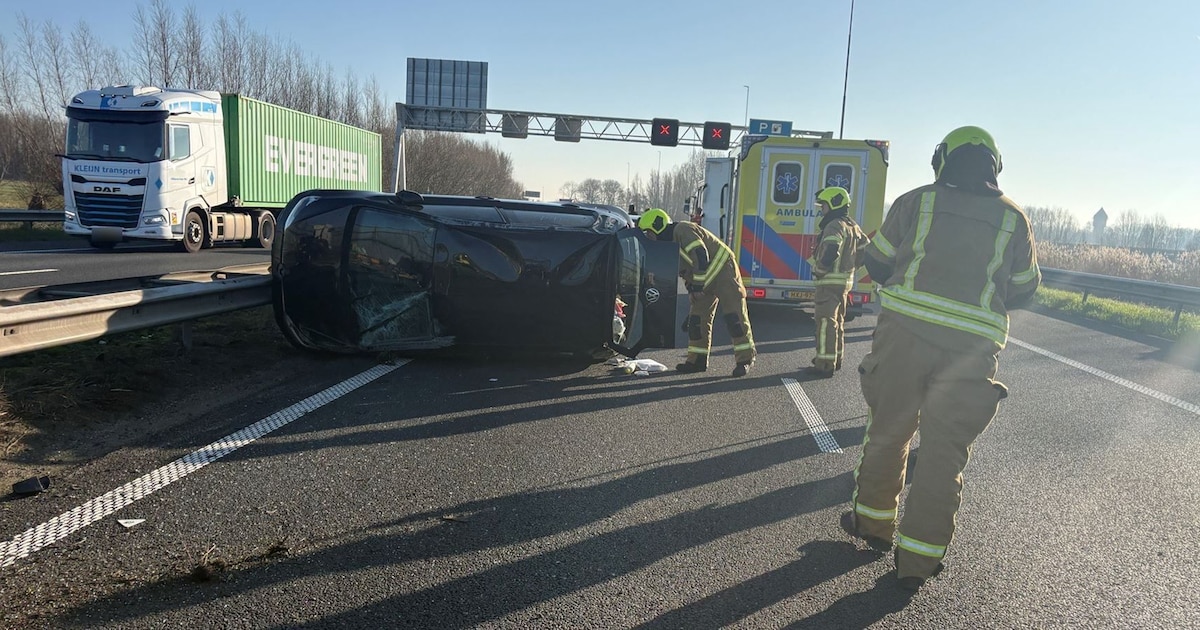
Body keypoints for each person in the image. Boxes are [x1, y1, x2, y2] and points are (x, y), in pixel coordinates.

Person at [841, 126, 1040, 591]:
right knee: (944, 454)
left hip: (903, 338)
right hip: (972, 352)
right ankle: (918, 561)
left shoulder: (915, 203)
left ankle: (872, 526)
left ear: (941, 160)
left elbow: (878, 263)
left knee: (889, 432)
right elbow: (1027, 290)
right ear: (995, 165)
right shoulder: (1015, 219)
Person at [637, 208, 756, 377]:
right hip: (703, 279)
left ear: (657, 226)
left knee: (734, 317)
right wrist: (692, 289)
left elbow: (700, 255)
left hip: (724, 270)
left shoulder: (683, 230)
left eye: (648, 233)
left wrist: (698, 287)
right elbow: (686, 270)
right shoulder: (668, 247)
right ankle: (697, 361)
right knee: (696, 321)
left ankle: (745, 360)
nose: (648, 238)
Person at [801, 186, 869, 379]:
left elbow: (831, 249)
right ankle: (835, 359)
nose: (821, 209)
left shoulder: (834, 225)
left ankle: (824, 364)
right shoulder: (853, 226)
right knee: (837, 323)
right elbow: (865, 249)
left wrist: (821, 270)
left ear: (833, 204)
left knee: (825, 323)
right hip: (845, 283)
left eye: (823, 205)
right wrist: (852, 267)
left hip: (829, 283)